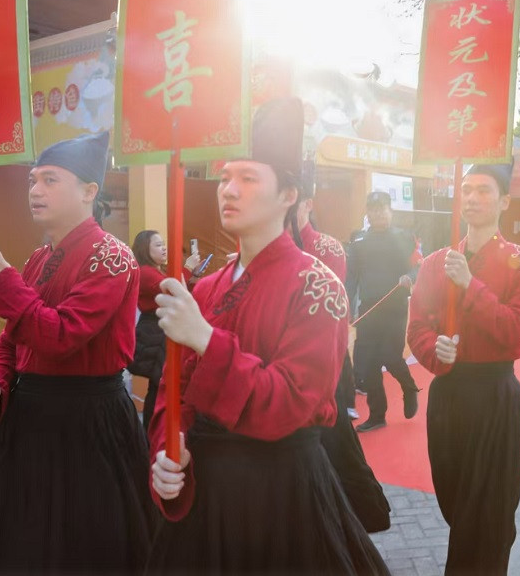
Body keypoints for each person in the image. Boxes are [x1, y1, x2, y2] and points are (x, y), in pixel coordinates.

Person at [146, 98, 388, 573]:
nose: (229, 191)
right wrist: (168, 448)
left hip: (282, 496)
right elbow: (172, 393)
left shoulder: (319, 286)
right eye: (224, 178)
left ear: (288, 195)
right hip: (206, 504)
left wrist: (206, 340)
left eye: (248, 178)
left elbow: (293, 402)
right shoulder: (209, 286)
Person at [0, 131, 153, 574]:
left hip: (89, 425)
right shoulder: (37, 259)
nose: (35, 191)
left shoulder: (112, 258)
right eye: (32, 181)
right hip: (30, 423)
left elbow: (60, 337)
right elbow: (10, 341)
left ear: (88, 191)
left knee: (83, 546)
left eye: (49, 180)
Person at [406, 161, 520, 574]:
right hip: (448, 397)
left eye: (483, 190)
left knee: (489, 515)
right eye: (466, 189)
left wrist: (470, 285)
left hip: (495, 398)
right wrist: (435, 352)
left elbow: (514, 331)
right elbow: (417, 326)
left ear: (504, 201)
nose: (472, 198)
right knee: (457, 504)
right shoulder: (434, 264)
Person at [285, 175, 392, 534]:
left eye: (295, 201)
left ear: (307, 205)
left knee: (333, 453)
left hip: (321, 366)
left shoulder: (329, 249)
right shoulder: (259, 249)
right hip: (276, 379)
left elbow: (331, 308)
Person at [346, 191, 420, 432]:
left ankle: (409, 387)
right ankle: (377, 415)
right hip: (368, 310)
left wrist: (409, 277)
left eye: (382, 209)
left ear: (391, 211)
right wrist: (347, 305)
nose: (378, 213)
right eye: (374, 209)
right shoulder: (358, 242)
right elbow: (352, 278)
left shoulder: (404, 238)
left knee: (390, 357)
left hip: (394, 309)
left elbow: (417, 267)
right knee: (368, 365)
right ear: (368, 213)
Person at [129, 230, 200, 430]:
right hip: (155, 331)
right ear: (145, 249)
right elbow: (174, 291)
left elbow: (182, 291)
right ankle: (153, 433)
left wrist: (192, 276)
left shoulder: (159, 270)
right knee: (159, 384)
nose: (164, 248)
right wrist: (187, 268)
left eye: (164, 244)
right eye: (158, 245)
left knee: (161, 384)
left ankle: (156, 430)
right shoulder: (145, 272)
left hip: (161, 329)